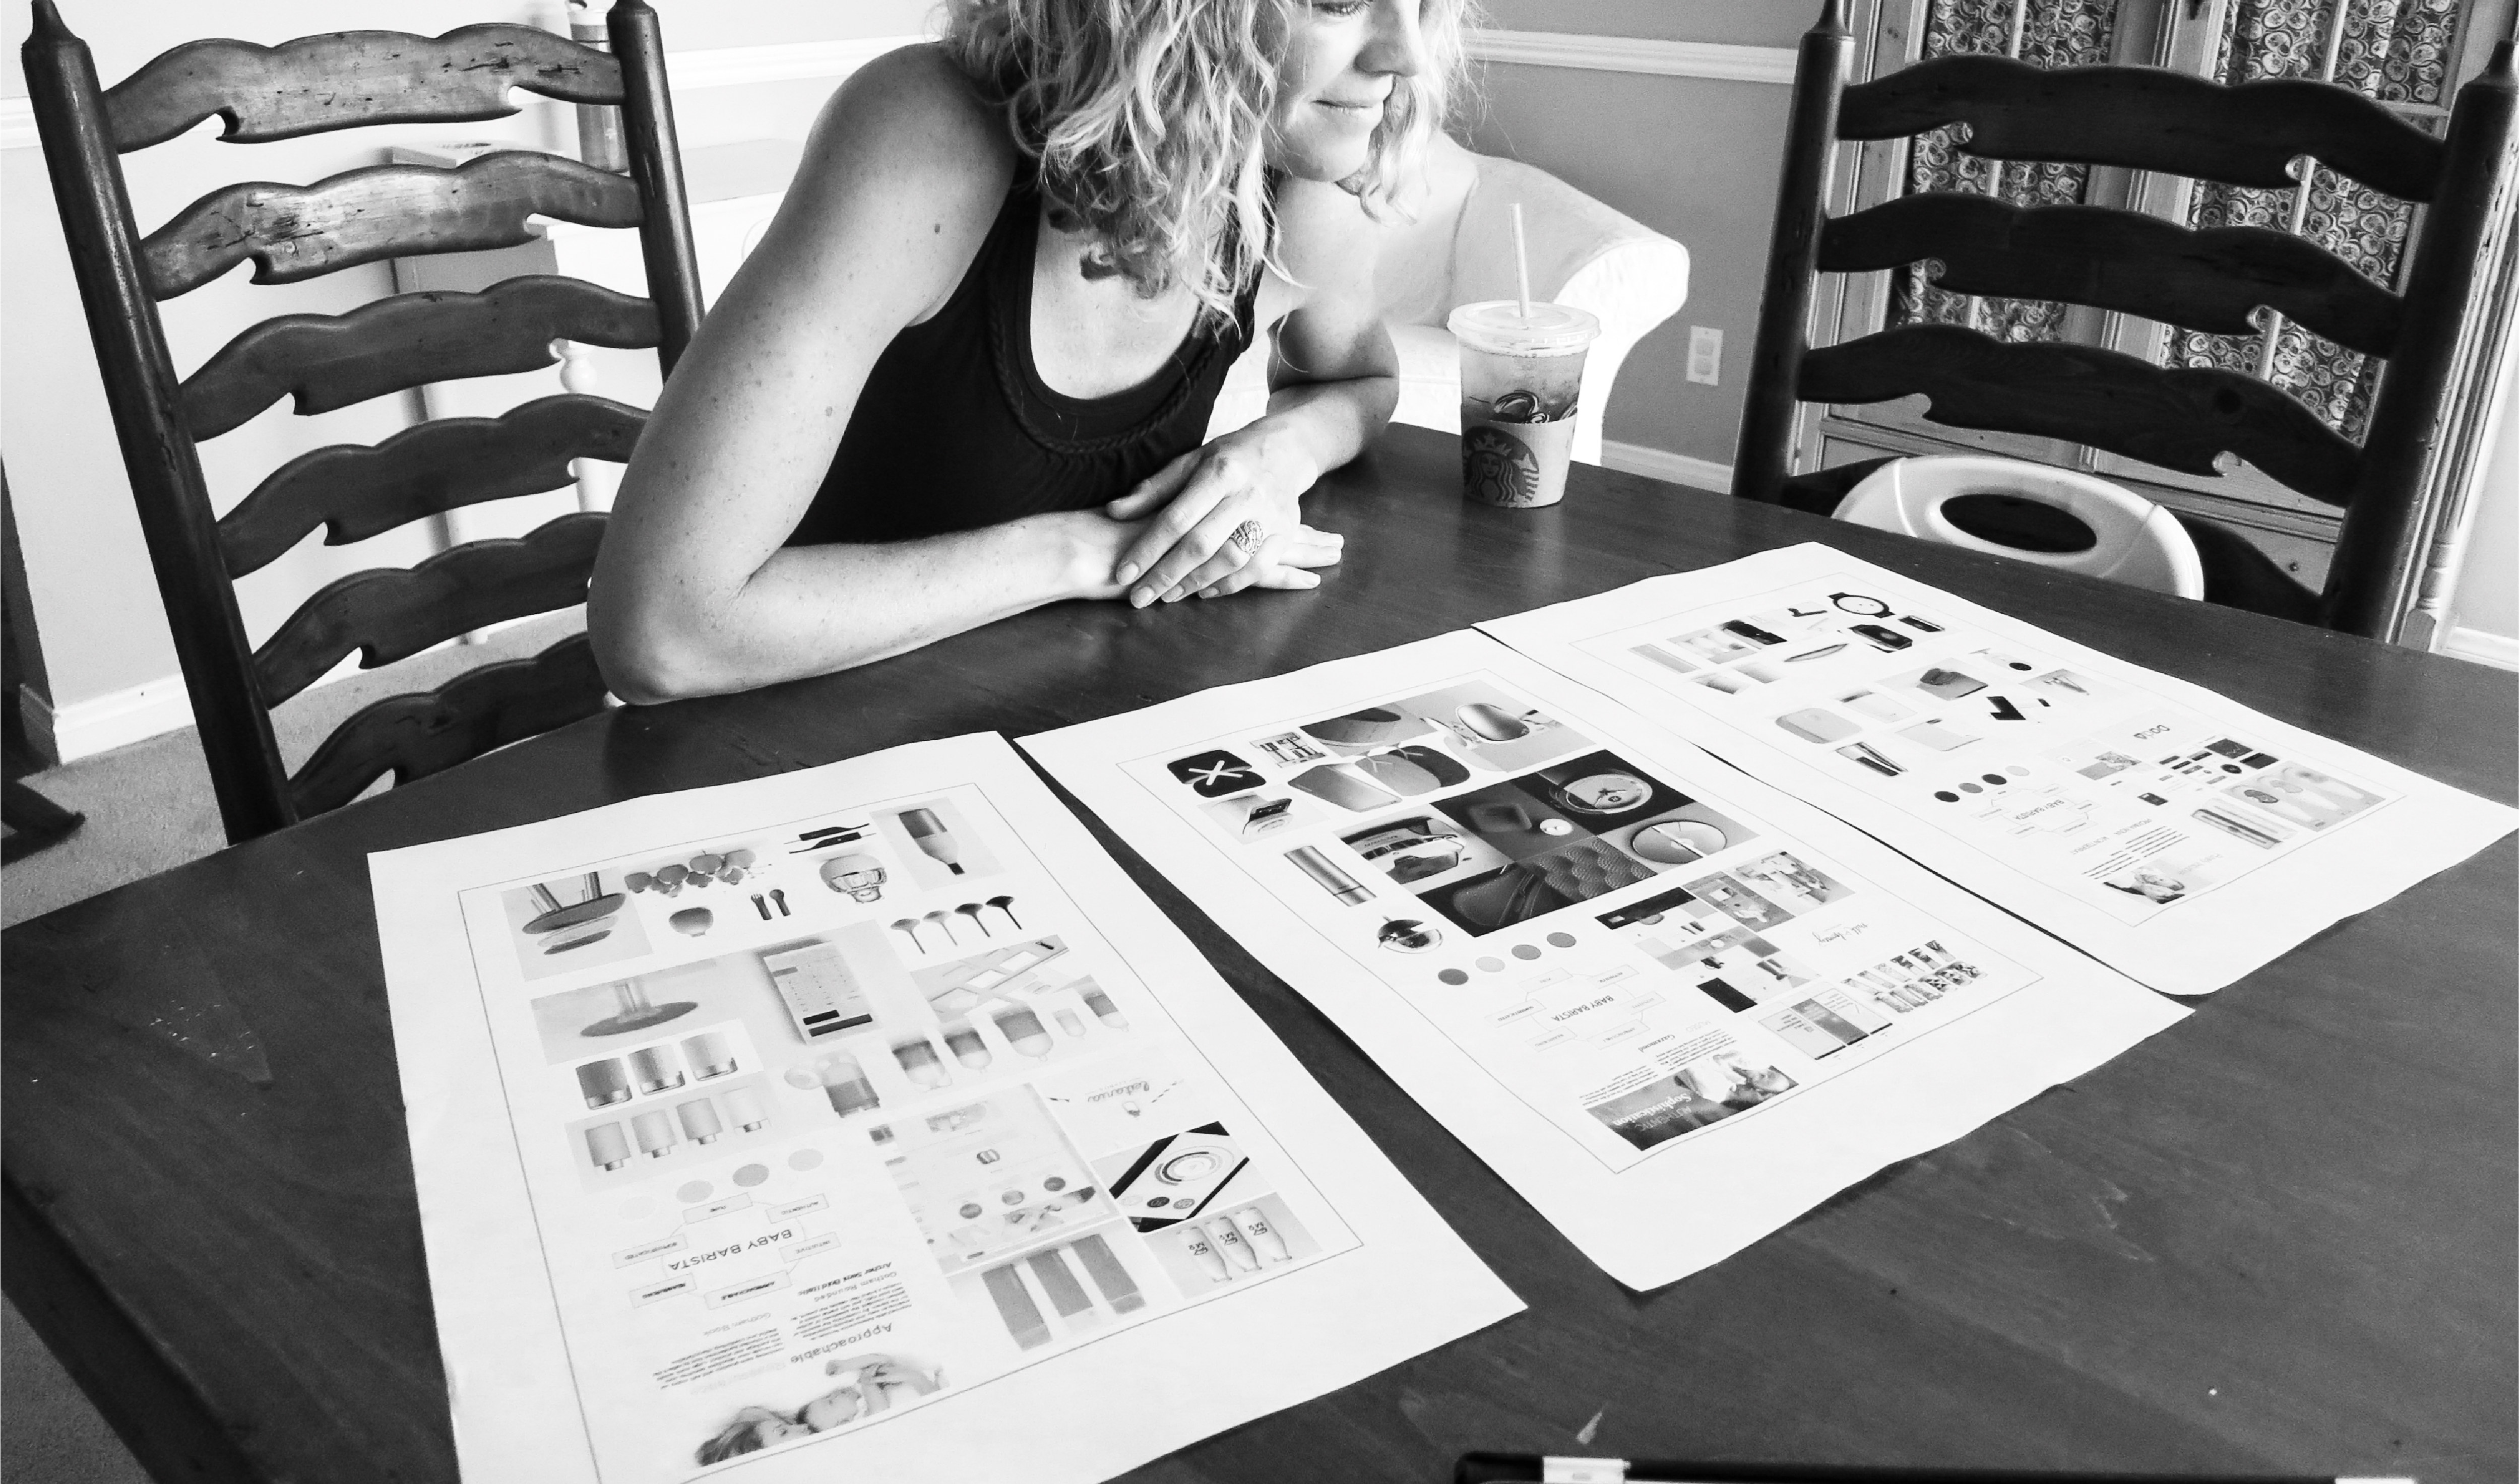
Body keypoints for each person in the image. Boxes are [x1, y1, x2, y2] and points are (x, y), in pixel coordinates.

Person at [593, 0, 1471, 702]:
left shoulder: (1287, 171)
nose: (1407, 53)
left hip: (1064, 718)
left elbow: (1358, 378)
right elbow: (664, 635)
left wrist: (1274, 458)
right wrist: (1098, 552)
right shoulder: (925, 130)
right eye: (1340, 3)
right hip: (797, 742)